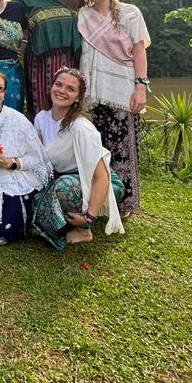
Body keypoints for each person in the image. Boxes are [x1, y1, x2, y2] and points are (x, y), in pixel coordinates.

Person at [78, 0, 150, 215]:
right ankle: (97, 202)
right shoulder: (83, 16)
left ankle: (125, 203)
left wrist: (140, 88)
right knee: (96, 151)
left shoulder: (130, 13)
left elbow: (139, 51)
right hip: (92, 95)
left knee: (123, 150)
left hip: (121, 93)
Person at [32, 68, 125, 251]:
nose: (62, 91)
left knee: (62, 187)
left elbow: (102, 177)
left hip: (99, 183)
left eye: (70, 89)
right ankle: (59, 223)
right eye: (58, 84)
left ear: (77, 98)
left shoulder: (80, 127)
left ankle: (83, 229)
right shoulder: (41, 118)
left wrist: (89, 217)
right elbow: (41, 160)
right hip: (65, 178)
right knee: (33, 196)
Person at [0, 69, 53, 244]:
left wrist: (11, 163)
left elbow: (37, 159)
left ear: (5, 93)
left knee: (2, 235)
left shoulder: (18, 120)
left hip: (14, 178)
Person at [19, 0, 84, 118]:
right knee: (42, 109)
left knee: (68, 106)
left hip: (70, 59)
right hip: (38, 63)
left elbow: (89, 22)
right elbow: (21, 29)